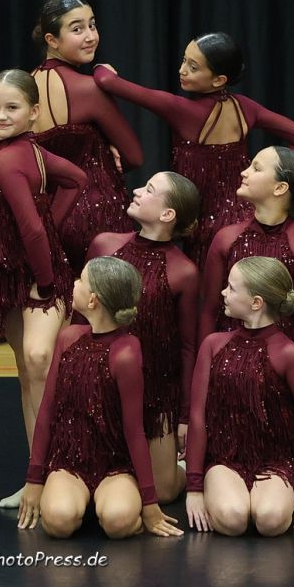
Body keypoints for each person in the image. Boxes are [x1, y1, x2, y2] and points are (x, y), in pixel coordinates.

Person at [93, 32, 294, 268]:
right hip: (247, 218)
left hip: (205, 229)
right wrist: (270, 177)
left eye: (193, 67)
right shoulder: (246, 108)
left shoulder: (184, 111)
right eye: (184, 60)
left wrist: (101, 66)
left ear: (219, 80)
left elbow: (107, 81)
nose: (182, 70)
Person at [0, 68, 87, 508]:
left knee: (40, 364)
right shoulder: (27, 152)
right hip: (11, 279)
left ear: (34, 112)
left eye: (12, 108)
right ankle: (37, 473)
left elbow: (33, 231)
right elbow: (77, 178)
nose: (1, 116)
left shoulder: (10, 159)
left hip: (38, 276)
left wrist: (44, 280)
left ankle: (59, 471)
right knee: (27, 373)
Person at [17, 256, 183, 539]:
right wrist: (34, 479)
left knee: (118, 523)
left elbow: (134, 431)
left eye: (81, 280)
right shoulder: (68, 338)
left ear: (93, 301)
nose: (74, 283)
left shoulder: (126, 352)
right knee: (58, 522)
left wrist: (149, 502)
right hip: (69, 461)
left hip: (114, 464)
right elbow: (46, 411)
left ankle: (114, 500)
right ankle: (78, 499)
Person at [198, 146, 294, 474]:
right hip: (234, 371)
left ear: (280, 188)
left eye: (255, 167)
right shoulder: (226, 239)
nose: (244, 171)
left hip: (287, 373)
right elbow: (209, 311)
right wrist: (202, 374)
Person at [186, 256, 294, 536]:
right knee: (233, 519)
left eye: (231, 288)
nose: (223, 293)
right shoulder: (213, 345)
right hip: (224, 459)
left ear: (256, 303)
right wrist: (194, 488)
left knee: (271, 521)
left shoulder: (288, 354)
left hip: (273, 461)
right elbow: (197, 416)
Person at [86, 171, 200, 502]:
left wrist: (184, 417)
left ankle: (190, 465)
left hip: (155, 393)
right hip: (102, 383)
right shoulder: (105, 245)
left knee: (163, 492)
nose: (136, 190)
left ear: (168, 215)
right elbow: (81, 319)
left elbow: (188, 347)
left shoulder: (183, 272)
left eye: (149, 189)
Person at [31, 0, 144, 272]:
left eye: (92, 25)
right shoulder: (89, 88)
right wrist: (108, 157)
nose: (91, 36)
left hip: (44, 219)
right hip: (96, 217)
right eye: (77, 29)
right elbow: (135, 157)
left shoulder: (25, 87)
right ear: (51, 40)